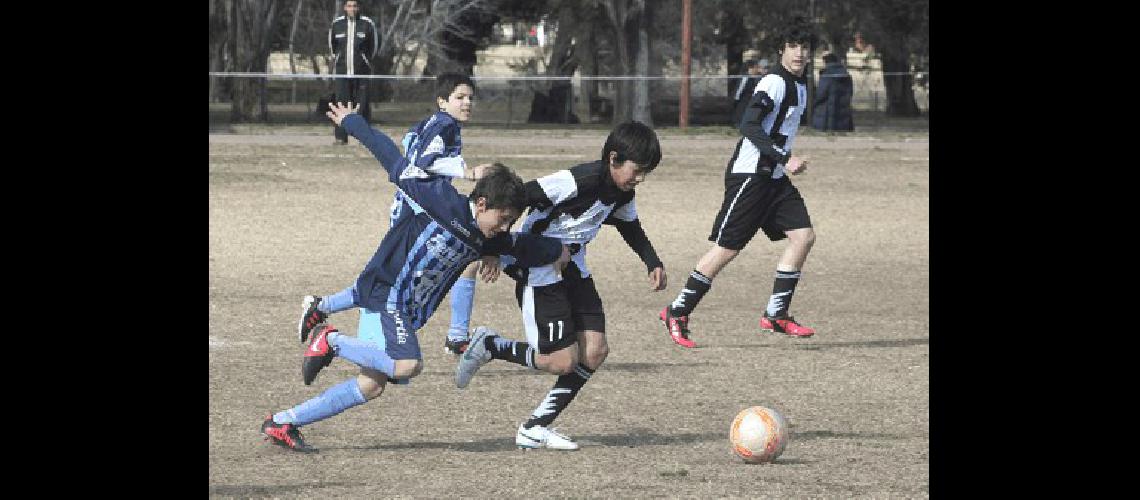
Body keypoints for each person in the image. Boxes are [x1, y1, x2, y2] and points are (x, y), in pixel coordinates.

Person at [260, 102, 571, 452]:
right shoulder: (439, 199)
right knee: (408, 365)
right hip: (387, 295)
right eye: (502, 217)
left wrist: (559, 250)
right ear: (481, 204)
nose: (505, 226)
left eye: (510, 220)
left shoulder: (491, 237)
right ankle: (329, 339)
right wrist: (352, 122)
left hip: (400, 308)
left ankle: (282, 422)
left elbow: (526, 245)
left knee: (371, 384)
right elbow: (392, 159)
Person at [454, 121, 667, 451]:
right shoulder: (577, 180)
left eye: (645, 173)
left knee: (595, 352)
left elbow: (630, 225)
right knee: (562, 361)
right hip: (541, 268)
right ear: (613, 158)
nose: (639, 179)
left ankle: (535, 426)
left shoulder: (622, 192)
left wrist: (651, 260)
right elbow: (518, 195)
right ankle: (491, 346)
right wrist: (494, 247)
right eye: (637, 171)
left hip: (575, 269)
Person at [299, 73, 490, 357]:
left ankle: (456, 335)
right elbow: (424, 160)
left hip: (417, 207)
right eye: (460, 97)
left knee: (464, 261)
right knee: (391, 281)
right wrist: (466, 172)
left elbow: (409, 146)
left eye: (470, 98)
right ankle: (329, 316)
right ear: (442, 102)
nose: (467, 103)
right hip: (417, 213)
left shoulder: (437, 123)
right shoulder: (445, 125)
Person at [659, 15, 819, 348]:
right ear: (781, 50)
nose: (799, 53)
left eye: (804, 47)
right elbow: (749, 125)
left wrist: (781, 161)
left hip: (773, 180)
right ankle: (677, 311)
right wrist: (785, 158)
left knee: (803, 237)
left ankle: (776, 314)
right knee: (726, 250)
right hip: (751, 177)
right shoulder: (774, 83)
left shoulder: (801, 85)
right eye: (792, 47)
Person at [328, 0, 379, 145]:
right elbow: (332, 48)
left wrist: (365, 61)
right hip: (342, 73)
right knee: (341, 105)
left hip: (361, 73)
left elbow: (374, 47)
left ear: (359, 7)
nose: (352, 9)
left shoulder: (367, 24)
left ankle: (364, 139)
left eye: (355, 6)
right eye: (349, 6)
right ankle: (340, 138)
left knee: (361, 106)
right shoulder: (337, 25)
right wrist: (338, 60)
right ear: (345, 8)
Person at [811, 52, 854, 131]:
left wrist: (813, 103)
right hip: (843, 112)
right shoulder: (846, 75)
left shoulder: (827, 74)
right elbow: (850, 92)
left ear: (826, 62)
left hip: (826, 114)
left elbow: (821, 93)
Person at [731, 57, 770, 126]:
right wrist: (735, 100)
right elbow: (739, 90)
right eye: (756, 67)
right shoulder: (745, 77)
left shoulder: (755, 78)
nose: (758, 69)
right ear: (752, 68)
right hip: (743, 101)